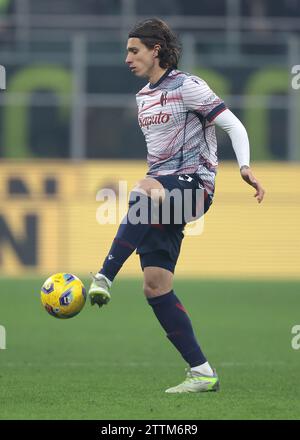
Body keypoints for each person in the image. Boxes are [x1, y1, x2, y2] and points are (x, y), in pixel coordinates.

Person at [88, 18, 265, 393]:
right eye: (126, 51)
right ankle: (202, 372)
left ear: (156, 50)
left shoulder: (188, 86)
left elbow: (234, 126)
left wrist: (245, 167)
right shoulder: (142, 98)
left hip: (195, 186)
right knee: (155, 285)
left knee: (144, 186)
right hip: (165, 192)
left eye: (134, 50)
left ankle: (104, 276)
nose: (127, 58)